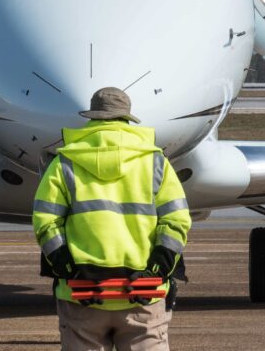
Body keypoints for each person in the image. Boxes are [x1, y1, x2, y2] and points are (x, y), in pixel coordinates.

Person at [33, 87, 191, 351]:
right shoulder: (155, 162)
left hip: (82, 293)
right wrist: (156, 269)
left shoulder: (64, 163)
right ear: (127, 118)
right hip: (143, 294)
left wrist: (67, 268)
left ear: (92, 118)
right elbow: (176, 222)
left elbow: (45, 223)